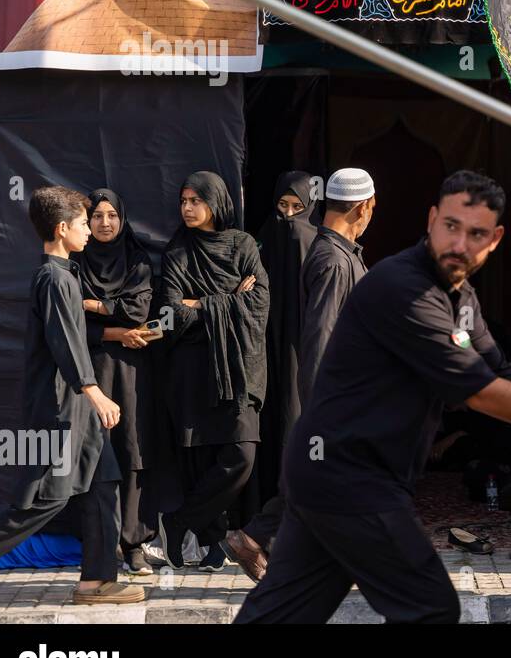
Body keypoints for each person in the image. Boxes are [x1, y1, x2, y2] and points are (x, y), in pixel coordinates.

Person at [234, 171, 511, 623]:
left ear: (494, 240)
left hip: (328, 475)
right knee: (430, 607)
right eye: (450, 226)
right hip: (349, 474)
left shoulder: (462, 296)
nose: (459, 243)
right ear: (432, 219)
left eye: (475, 233)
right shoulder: (406, 288)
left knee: (279, 615)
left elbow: (503, 374)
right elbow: (481, 392)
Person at [0, 187, 145, 613]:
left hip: (78, 406)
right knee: (47, 496)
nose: (91, 229)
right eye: (85, 223)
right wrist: (96, 392)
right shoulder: (53, 278)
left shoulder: (67, 275)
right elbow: (65, 343)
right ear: (63, 229)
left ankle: (97, 581)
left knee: (103, 484)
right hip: (60, 407)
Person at [224, 169, 376, 581]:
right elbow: (322, 337)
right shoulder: (331, 260)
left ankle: (261, 539)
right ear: (365, 207)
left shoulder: (340, 254)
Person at [156, 172, 270, 571]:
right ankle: (213, 545)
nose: (187, 208)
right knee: (202, 460)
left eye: (195, 201)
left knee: (241, 455)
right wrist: (225, 301)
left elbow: (259, 303)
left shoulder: (242, 245)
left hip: (238, 369)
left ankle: (178, 521)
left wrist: (201, 304)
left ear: (215, 202)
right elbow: (170, 314)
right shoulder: (177, 253)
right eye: (183, 201)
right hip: (192, 373)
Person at [73, 188, 158, 576]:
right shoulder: (74, 262)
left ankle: (134, 542)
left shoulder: (137, 260)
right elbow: (70, 321)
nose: (105, 223)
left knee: (131, 450)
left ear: (122, 219)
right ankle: (100, 544)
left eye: (112, 216)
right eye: (97, 216)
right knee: (95, 454)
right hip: (88, 370)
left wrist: (93, 305)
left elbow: (138, 308)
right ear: (86, 223)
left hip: (132, 369)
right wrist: (116, 330)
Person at [255, 172, 318, 519]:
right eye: (283, 205)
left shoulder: (313, 242)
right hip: (265, 347)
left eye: (298, 207)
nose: (290, 216)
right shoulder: (265, 237)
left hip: (300, 348)